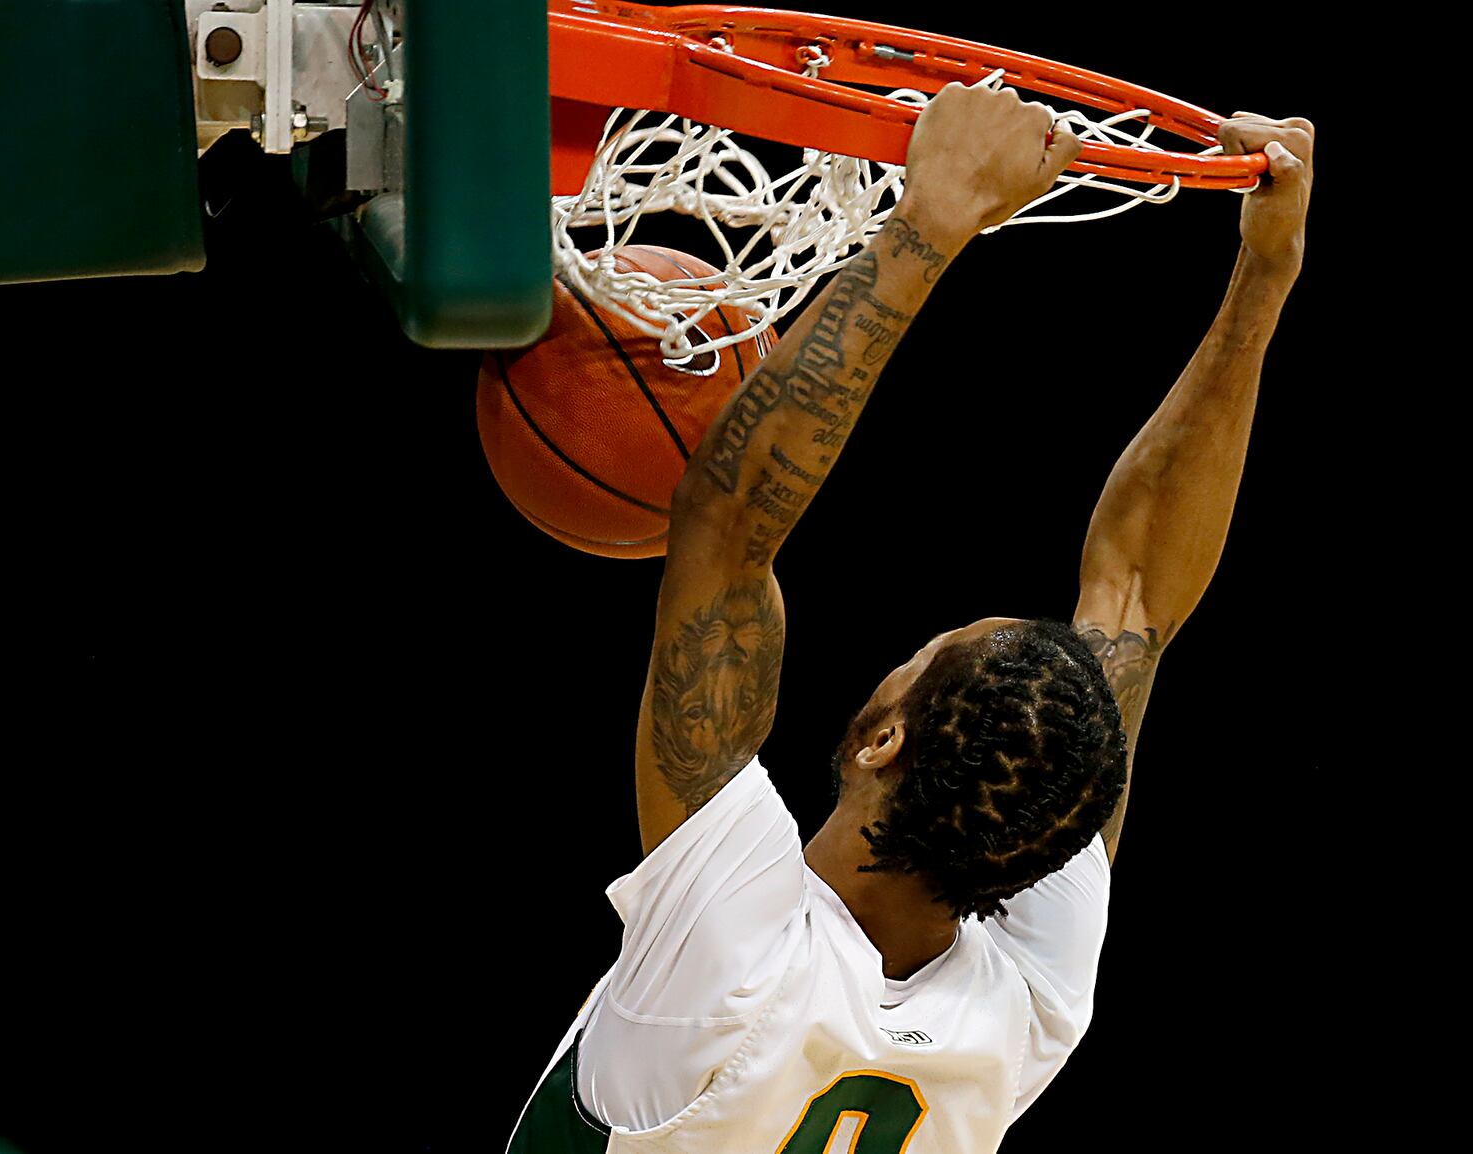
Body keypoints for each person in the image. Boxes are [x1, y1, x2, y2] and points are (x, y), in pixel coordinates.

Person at [507, 82, 1314, 1153]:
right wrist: (1262, 279)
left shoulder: (735, 962)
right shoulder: (1023, 1007)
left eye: (929, 647)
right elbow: (1132, 594)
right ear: (1050, 850)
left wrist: (930, 220)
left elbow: (724, 517)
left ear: (880, 733)